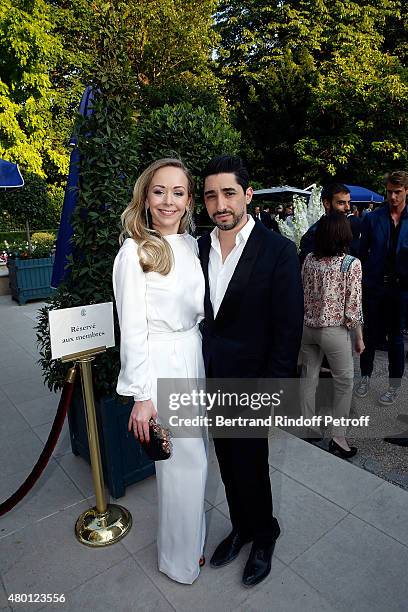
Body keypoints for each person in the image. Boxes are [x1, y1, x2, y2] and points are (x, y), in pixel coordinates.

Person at [198, 155, 303, 587]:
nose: (220, 204)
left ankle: (264, 534)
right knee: (226, 458)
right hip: (209, 376)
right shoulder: (197, 246)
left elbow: (287, 326)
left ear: (247, 195)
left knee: (253, 462)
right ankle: (241, 526)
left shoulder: (278, 250)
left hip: (253, 380)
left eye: (228, 193)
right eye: (210, 195)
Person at [113, 158, 207, 584]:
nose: (168, 200)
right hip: (162, 363)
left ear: (189, 201)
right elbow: (131, 329)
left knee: (194, 460)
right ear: (145, 198)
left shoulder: (191, 245)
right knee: (181, 465)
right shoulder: (133, 251)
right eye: (159, 191)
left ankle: (190, 543)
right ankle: (179, 559)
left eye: (178, 192)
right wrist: (141, 396)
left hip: (193, 353)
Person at [300, 213, 364, 458]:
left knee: (309, 377)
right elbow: (354, 306)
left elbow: (302, 290)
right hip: (334, 330)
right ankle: (338, 437)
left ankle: (308, 425)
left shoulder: (308, 260)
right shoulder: (351, 264)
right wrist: (359, 336)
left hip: (307, 328)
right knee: (344, 382)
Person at [354, 171, 408, 431]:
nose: (393, 196)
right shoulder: (372, 218)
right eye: (389, 192)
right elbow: (360, 254)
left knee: (396, 338)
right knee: (370, 335)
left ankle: (394, 385)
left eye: (398, 192)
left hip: (401, 290)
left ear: (407, 191)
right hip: (374, 286)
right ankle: (364, 377)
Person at [299, 183, 351, 264]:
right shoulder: (314, 233)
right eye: (341, 203)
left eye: (348, 202)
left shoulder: (344, 226)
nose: (348, 208)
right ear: (327, 204)